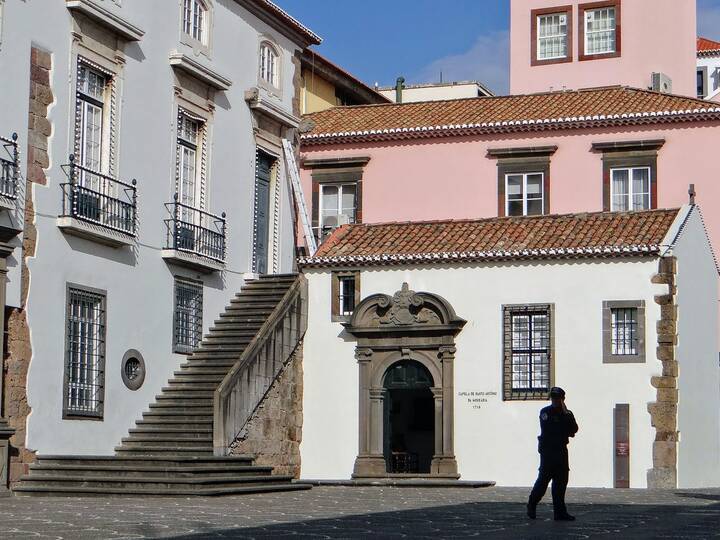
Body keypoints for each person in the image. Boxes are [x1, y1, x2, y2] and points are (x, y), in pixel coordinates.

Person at [527, 386, 579, 521]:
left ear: (563, 399)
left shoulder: (567, 413)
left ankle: (560, 512)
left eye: (558, 398)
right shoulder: (545, 412)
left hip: (561, 450)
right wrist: (566, 428)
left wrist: (565, 417)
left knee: (561, 482)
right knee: (543, 481)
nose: (556, 400)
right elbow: (550, 428)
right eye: (554, 398)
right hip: (548, 451)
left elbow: (574, 429)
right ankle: (532, 504)